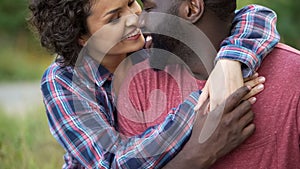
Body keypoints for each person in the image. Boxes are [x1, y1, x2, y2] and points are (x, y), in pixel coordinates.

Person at [28, 0, 278, 168]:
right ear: (82, 37)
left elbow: (252, 15)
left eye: (130, 3)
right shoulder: (63, 82)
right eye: (114, 18)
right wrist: (203, 107)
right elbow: (112, 161)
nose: (134, 18)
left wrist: (229, 61)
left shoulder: (149, 42)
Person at [119, 0, 300, 168]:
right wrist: (197, 154)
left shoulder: (293, 77)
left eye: (150, 9)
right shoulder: (140, 82)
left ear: (192, 9)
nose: (140, 22)